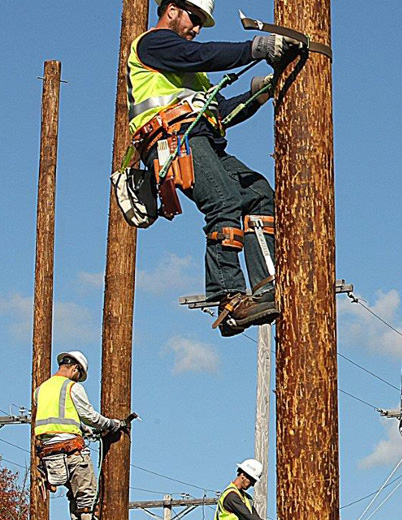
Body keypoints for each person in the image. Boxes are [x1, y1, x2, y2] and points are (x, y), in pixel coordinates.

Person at [126, 0, 302, 336]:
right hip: (172, 141)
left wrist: (262, 93)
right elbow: (203, 53)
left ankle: (266, 284)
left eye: (201, 23)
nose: (195, 28)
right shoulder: (153, 44)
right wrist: (256, 48)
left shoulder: (194, 76)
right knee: (223, 201)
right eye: (194, 19)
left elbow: (220, 114)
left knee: (259, 193)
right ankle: (228, 299)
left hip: (199, 139)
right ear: (172, 10)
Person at [33, 351, 127, 520]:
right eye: (78, 375)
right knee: (87, 501)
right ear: (75, 368)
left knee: (75, 497)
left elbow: (59, 416)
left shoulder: (40, 390)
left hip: (49, 456)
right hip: (71, 452)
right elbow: (90, 416)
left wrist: (84, 429)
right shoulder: (72, 387)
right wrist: (112, 424)